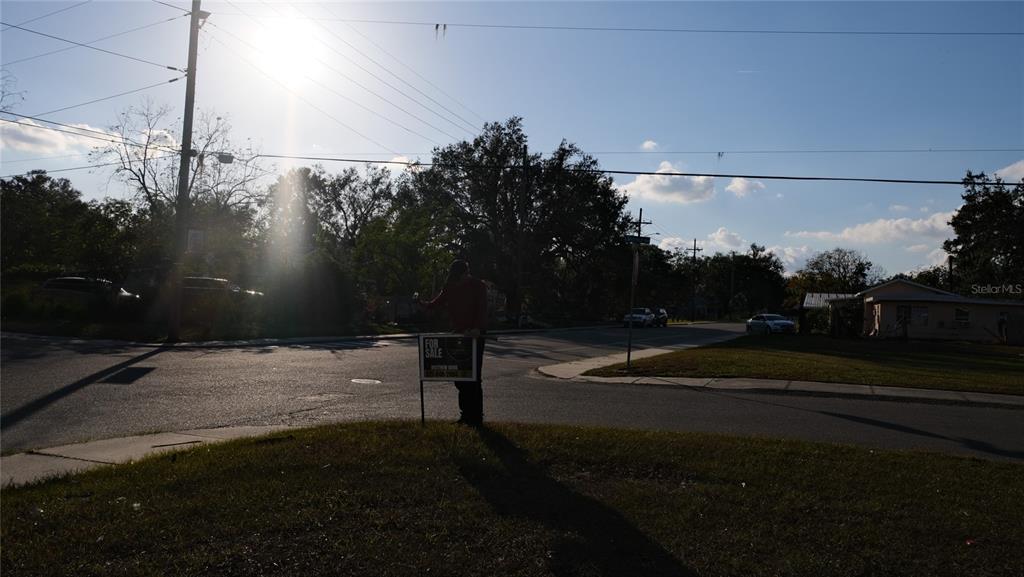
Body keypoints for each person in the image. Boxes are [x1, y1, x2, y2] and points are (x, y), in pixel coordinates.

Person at [418, 259, 488, 426]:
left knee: (474, 378)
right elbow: (435, 304)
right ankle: (465, 414)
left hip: (475, 336)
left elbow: (482, 309)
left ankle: (476, 417)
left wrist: (477, 328)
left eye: (461, 277)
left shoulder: (478, 286)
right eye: (456, 277)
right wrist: (421, 303)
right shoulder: (451, 285)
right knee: (461, 377)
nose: (459, 280)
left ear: (467, 273)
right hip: (458, 335)